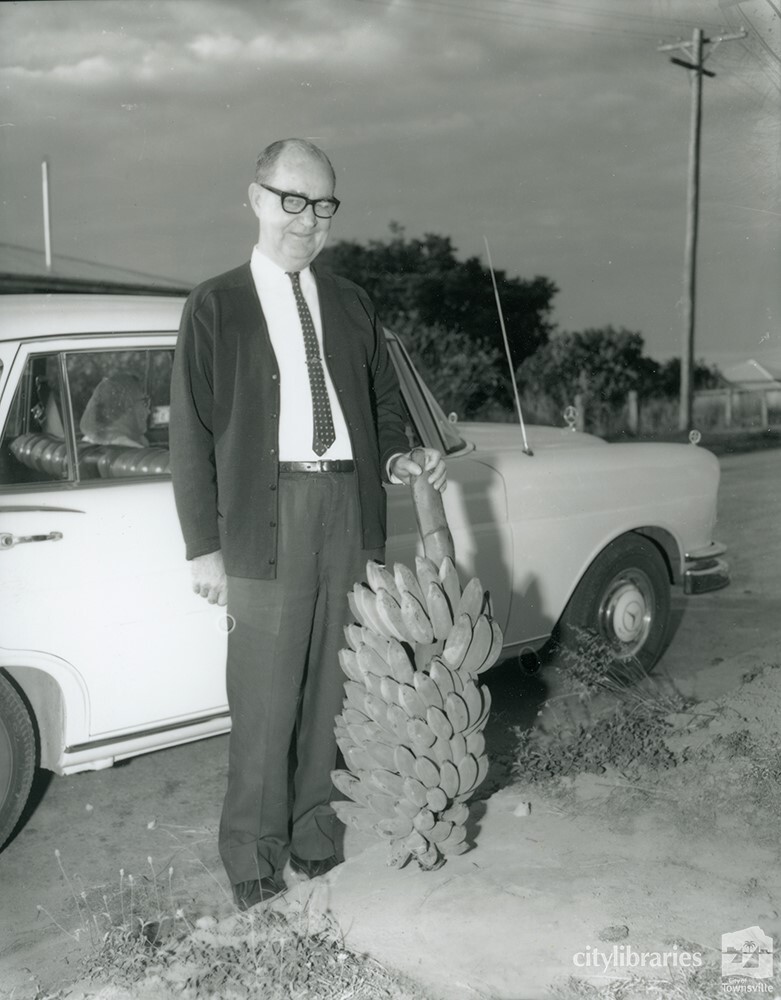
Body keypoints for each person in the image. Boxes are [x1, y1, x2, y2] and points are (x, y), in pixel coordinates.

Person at [169, 138, 446, 911]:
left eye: (321, 205)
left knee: (336, 691)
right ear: (255, 199)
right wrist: (203, 546)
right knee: (264, 701)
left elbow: (384, 408)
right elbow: (189, 432)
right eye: (291, 200)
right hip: (266, 518)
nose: (306, 220)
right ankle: (253, 861)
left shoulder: (354, 302)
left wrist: (394, 461)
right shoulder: (215, 304)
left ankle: (315, 837)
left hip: (346, 514)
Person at [79, 374, 150, 447]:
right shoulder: (135, 451)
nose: (148, 411)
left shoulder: (86, 442)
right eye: (144, 403)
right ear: (127, 407)